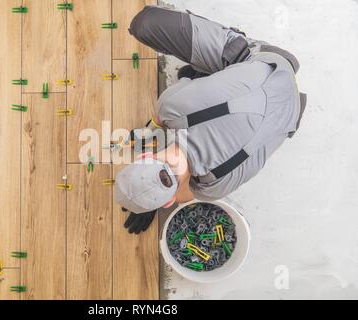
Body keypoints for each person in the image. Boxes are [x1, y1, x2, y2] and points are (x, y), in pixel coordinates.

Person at [115, 6, 307, 234]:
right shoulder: (172, 107)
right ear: (146, 156)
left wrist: (155, 193)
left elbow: (186, 195)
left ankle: (216, 69)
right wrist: (152, 131)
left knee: (191, 78)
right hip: (273, 69)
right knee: (145, 25)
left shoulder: (215, 186)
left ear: (169, 202)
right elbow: (162, 120)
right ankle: (204, 77)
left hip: (286, 106)